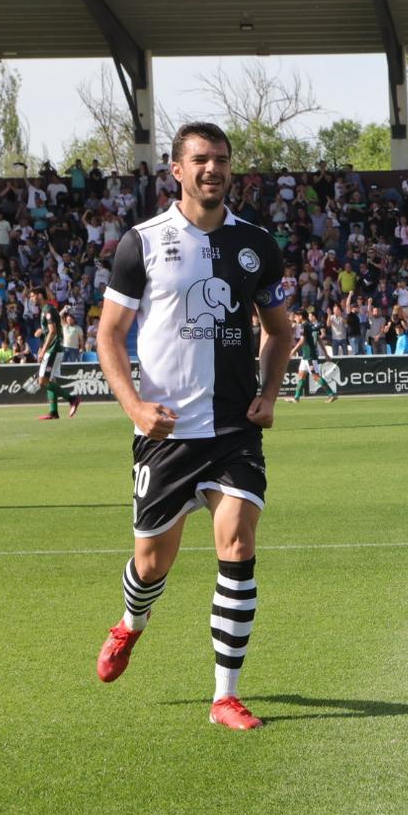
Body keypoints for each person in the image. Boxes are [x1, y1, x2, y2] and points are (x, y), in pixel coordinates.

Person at [93, 121, 294, 732]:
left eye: (222, 160)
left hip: (233, 428)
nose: (213, 169)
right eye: (200, 160)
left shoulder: (256, 243)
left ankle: (224, 695)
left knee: (237, 541)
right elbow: (108, 336)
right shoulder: (142, 243)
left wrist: (268, 393)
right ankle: (130, 623)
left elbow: (280, 330)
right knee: (152, 564)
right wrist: (134, 408)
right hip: (167, 433)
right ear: (176, 170)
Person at [34, 300, 80, 420]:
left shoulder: (48, 310)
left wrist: (43, 350)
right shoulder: (49, 312)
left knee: (42, 381)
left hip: (53, 350)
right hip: (54, 349)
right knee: (51, 380)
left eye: (33, 296)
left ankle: (72, 399)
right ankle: (53, 411)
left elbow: (52, 330)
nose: (31, 299)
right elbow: (49, 328)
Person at [289, 309, 338, 403]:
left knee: (315, 376)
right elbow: (318, 339)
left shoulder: (304, 326)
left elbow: (302, 340)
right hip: (306, 355)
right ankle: (296, 397)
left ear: (300, 316)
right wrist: (326, 354)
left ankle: (331, 394)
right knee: (301, 375)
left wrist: (293, 350)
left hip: (309, 355)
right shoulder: (311, 325)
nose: (295, 318)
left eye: (296, 316)